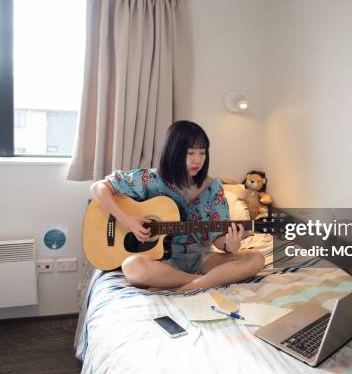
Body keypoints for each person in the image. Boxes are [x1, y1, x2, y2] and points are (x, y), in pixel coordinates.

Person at [90, 120, 265, 291]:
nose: (198, 160)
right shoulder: (149, 179)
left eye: (202, 153)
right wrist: (128, 220)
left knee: (256, 259)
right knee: (132, 266)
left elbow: (219, 241)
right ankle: (202, 281)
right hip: (161, 261)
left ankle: (186, 285)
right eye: (190, 153)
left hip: (201, 258)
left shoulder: (213, 188)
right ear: (173, 152)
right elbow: (99, 187)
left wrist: (230, 245)